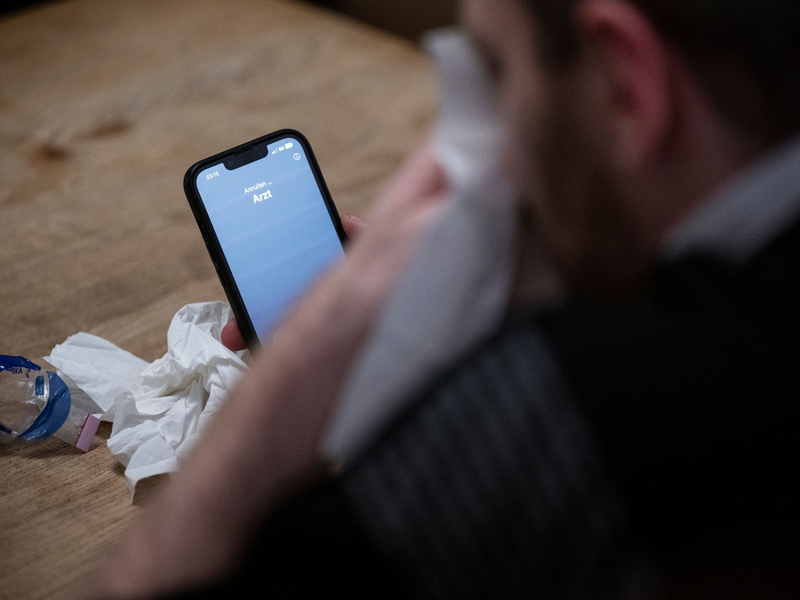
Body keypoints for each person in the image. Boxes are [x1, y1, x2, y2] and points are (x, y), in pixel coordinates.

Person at [85, 0, 800, 597]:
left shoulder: (578, 415)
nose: (473, 149)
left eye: (493, 76)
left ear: (627, 87)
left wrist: (314, 340)